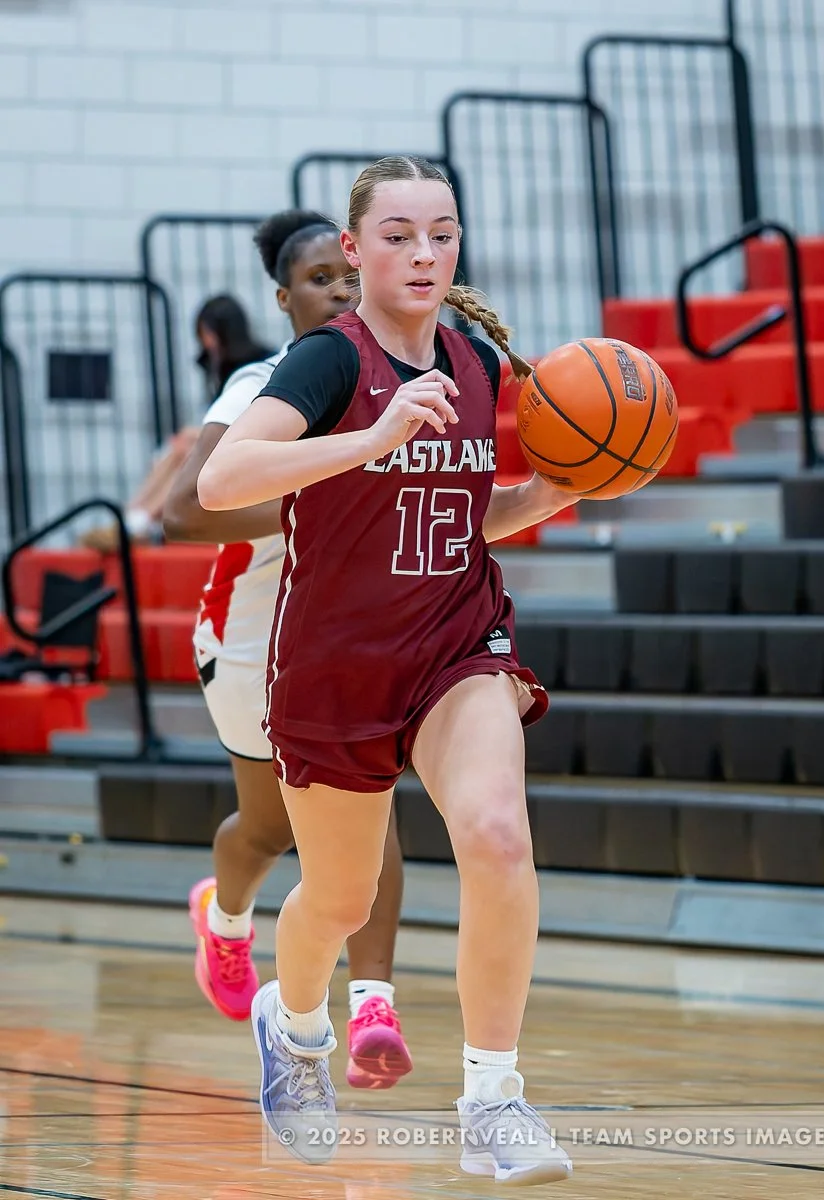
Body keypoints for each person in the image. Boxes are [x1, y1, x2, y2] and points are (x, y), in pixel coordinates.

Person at [197, 157, 578, 1186]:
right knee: (340, 896)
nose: (423, 252)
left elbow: (470, 514)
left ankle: (492, 1099)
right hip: (335, 662)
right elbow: (223, 479)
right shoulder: (327, 363)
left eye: (441, 233)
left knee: (497, 834)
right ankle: (297, 1028)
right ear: (355, 249)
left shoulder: (479, 364)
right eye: (399, 234)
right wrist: (369, 435)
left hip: (457, 642)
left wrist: (560, 486)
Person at [162, 210, 413, 1091]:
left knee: (370, 809)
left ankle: (374, 1002)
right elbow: (185, 511)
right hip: (248, 633)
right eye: (319, 280)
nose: (342, 292)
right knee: (269, 828)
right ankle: (225, 921)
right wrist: (333, 491)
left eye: (349, 275)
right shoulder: (258, 384)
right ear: (284, 297)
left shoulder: (404, 380)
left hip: (354, 638)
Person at [80, 296, 272, 553]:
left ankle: (138, 523)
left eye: (206, 332)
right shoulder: (221, 365)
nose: (205, 341)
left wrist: (192, 436)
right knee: (178, 448)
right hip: (228, 446)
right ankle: (131, 519)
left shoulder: (260, 365)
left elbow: (245, 421)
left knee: (185, 449)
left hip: (249, 448)